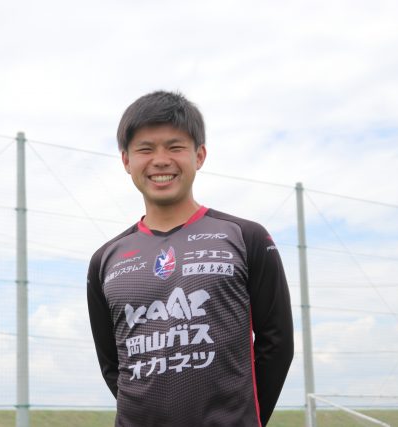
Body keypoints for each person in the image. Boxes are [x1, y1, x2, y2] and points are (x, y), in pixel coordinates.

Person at [87, 91, 293, 426]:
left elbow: (277, 344)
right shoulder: (105, 260)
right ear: (126, 161)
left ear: (199, 155)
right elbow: (113, 364)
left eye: (175, 147)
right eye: (145, 149)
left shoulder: (247, 237)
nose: (160, 160)